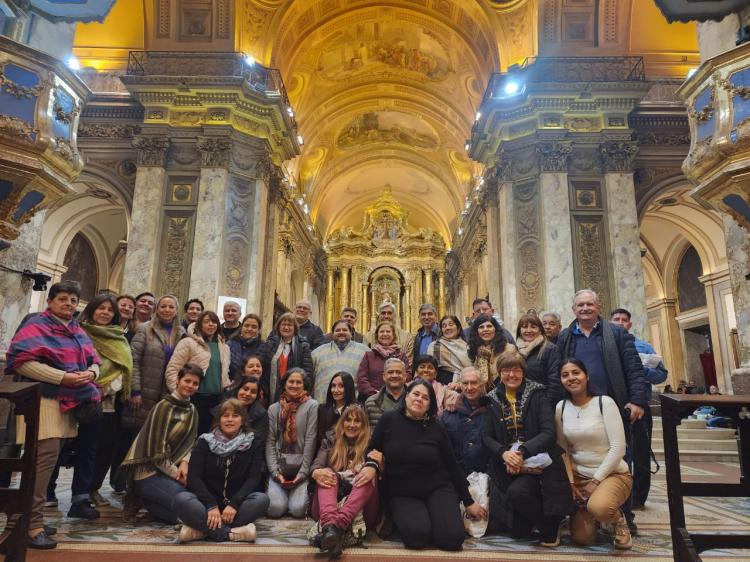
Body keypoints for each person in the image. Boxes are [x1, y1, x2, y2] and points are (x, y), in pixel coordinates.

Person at [5, 281, 100, 550]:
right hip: (43, 401)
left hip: (67, 402)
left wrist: (91, 373)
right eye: (63, 299)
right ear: (50, 301)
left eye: (73, 300)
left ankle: (26, 518)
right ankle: (31, 527)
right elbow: (21, 361)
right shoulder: (37, 324)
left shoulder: (76, 329)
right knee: (41, 464)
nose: (69, 304)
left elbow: (94, 359)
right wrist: (63, 377)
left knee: (43, 463)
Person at [556, 290, 646, 532]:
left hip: (612, 408)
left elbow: (634, 369)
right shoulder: (565, 337)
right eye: (580, 305)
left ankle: (623, 516)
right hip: (579, 407)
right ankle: (589, 511)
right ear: (573, 310)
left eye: (589, 304)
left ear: (599, 306)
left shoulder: (616, 333)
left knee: (619, 458)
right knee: (581, 460)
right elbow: (558, 374)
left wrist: (637, 400)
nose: (584, 308)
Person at [361, 378, 486, 550]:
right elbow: (371, 450)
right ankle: (416, 520)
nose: (419, 399)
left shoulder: (437, 426)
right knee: (417, 538)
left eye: (425, 398)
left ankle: (435, 520)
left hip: (438, 487)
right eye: (416, 394)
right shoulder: (388, 420)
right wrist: (371, 465)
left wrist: (468, 501)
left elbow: (452, 465)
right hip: (402, 491)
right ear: (406, 396)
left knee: (452, 540)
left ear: (430, 405)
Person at [483, 352, 572, 546]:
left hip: (540, 461)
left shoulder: (538, 394)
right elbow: (486, 436)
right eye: (506, 370)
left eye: (516, 369)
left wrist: (522, 452)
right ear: (499, 373)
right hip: (507, 464)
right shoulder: (491, 399)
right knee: (519, 531)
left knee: (518, 494)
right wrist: (504, 454)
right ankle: (538, 521)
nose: (511, 375)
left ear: (523, 372)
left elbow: (549, 432)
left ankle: (550, 526)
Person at [555, 358, 633, 549]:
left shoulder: (604, 403)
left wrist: (595, 482)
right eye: (565, 375)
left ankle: (617, 520)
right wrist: (571, 482)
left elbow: (618, 448)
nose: (571, 378)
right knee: (582, 539)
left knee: (601, 508)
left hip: (611, 474)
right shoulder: (561, 407)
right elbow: (563, 450)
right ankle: (594, 515)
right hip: (579, 477)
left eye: (576, 373)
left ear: (587, 376)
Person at [115, 294, 185, 493]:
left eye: (171, 306)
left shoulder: (182, 333)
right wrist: (134, 390)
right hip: (144, 392)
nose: (167, 310)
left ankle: (148, 486)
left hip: (167, 396)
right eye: (163, 306)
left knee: (157, 442)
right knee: (134, 440)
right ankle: (125, 484)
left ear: (176, 310)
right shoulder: (145, 329)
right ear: (157, 309)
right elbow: (133, 360)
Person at [174, 399, 270, 543]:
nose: (230, 420)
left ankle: (201, 530)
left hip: (235, 507)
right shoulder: (204, 442)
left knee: (262, 499)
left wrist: (234, 504)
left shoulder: (253, 443)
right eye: (225, 416)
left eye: (235, 415)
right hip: (206, 504)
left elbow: (253, 479)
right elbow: (194, 477)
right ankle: (230, 533)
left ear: (243, 420)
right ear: (219, 420)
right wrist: (211, 505)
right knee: (180, 500)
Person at [120, 363, 201, 524]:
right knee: (187, 503)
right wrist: (179, 476)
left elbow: (191, 442)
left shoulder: (192, 409)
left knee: (196, 501)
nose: (190, 386)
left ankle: (149, 503)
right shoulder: (163, 407)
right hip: (149, 472)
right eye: (187, 381)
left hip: (174, 470)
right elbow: (157, 454)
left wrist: (185, 462)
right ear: (177, 380)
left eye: (195, 383)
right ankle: (143, 494)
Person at [79, 293, 133, 509]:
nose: (105, 313)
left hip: (109, 402)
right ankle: (79, 493)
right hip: (80, 397)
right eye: (101, 308)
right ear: (92, 309)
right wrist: (90, 387)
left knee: (105, 449)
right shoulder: (80, 332)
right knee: (84, 449)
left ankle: (94, 488)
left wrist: (107, 388)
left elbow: (123, 366)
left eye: (110, 310)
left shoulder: (118, 336)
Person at [610, 307, 668, 510]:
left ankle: (639, 497)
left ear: (629, 324)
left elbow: (662, 375)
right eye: (616, 319)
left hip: (640, 406)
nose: (619, 322)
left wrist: (639, 368)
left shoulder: (643, 346)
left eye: (623, 319)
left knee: (641, 452)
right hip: (615, 406)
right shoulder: (607, 345)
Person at [311, 404, 381, 557]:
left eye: (357, 421)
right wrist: (316, 472)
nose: (352, 425)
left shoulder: (372, 442)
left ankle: (334, 529)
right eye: (348, 420)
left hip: (362, 512)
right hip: (327, 507)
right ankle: (332, 527)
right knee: (327, 473)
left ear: (364, 425)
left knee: (369, 473)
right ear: (342, 423)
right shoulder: (330, 440)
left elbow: (378, 464)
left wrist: (373, 466)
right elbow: (316, 465)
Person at [166, 310, 231, 434]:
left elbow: (224, 371)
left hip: (216, 400)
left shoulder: (224, 347)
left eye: (214, 322)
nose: (211, 324)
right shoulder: (188, 343)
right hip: (193, 398)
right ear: (199, 324)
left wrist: (227, 384)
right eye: (206, 321)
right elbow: (173, 369)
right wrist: (177, 395)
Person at [265, 369, 319, 518]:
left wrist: (303, 473)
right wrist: (275, 472)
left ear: (305, 386)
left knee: (298, 510)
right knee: (275, 509)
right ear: (284, 384)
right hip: (279, 468)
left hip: (301, 468)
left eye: (298, 382)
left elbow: (310, 440)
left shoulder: (312, 406)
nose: (294, 385)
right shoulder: (274, 409)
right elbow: (270, 442)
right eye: (291, 381)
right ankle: (276, 489)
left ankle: (297, 493)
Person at [440, 367, 490, 476]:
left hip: (488, 475)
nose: (469, 387)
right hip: (455, 477)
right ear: (460, 385)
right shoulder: (448, 413)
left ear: (482, 385)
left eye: (474, 383)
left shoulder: (493, 411)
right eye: (465, 383)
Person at [311, 319, 368, 403]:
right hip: (323, 404)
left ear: (351, 333)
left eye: (345, 330)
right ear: (332, 334)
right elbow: (309, 377)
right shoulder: (317, 353)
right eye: (337, 330)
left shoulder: (364, 351)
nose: (341, 332)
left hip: (352, 405)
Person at [262, 312, 313, 403]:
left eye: (290, 325)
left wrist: (304, 391)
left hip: (294, 389)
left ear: (295, 328)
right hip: (271, 391)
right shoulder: (270, 344)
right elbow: (264, 368)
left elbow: (307, 372)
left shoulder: (303, 346)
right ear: (278, 327)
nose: (286, 327)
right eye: (283, 324)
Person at [515, 313, 564, 404]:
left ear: (540, 330)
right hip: (519, 403)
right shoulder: (515, 350)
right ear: (519, 330)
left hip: (541, 403)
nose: (529, 330)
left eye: (533, 327)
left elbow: (555, 382)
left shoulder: (550, 349)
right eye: (525, 327)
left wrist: (545, 405)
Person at [356, 321, 412, 399]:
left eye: (388, 332)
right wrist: (375, 393)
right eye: (382, 332)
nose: (385, 334)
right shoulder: (369, 356)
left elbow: (408, 375)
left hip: (396, 399)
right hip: (372, 399)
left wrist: (392, 392)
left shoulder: (401, 356)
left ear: (393, 336)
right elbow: (361, 379)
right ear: (377, 336)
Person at [467, 314, 514, 390]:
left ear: (495, 329)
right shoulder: (474, 351)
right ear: (476, 331)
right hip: (483, 394)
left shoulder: (508, 349)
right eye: (481, 327)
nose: (485, 329)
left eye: (489, 326)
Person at [427, 315, 472, 385]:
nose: (447, 328)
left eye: (451, 325)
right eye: (444, 326)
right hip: (442, 386)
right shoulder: (435, 346)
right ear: (441, 330)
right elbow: (429, 369)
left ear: (458, 328)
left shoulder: (468, 347)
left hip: (467, 385)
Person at [364, 358, 408, 427]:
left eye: (398, 372)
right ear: (384, 376)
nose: (394, 375)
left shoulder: (415, 402)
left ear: (405, 376)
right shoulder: (370, 403)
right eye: (390, 372)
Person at [317, 372, 358, 444]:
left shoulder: (357, 410)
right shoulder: (322, 409)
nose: (335, 390)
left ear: (349, 388)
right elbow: (320, 437)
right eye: (333, 386)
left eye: (341, 386)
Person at [231, 373, 269, 444]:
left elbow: (258, 441)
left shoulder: (261, 414)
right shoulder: (223, 408)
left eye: (253, 392)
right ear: (238, 389)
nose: (248, 394)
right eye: (245, 389)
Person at [227, 313, 265, 381]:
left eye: (254, 327)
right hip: (231, 385)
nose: (249, 329)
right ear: (242, 327)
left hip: (254, 386)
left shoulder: (264, 347)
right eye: (246, 325)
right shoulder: (230, 344)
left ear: (258, 330)